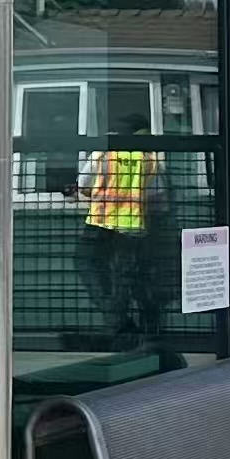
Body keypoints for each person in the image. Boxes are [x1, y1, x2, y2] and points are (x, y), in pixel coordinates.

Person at [77, 139, 154, 351]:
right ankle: (120, 324)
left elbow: (83, 185)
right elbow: (155, 193)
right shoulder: (148, 157)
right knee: (124, 277)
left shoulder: (101, 154)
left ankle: (116, 321)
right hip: (132, 225)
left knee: (87, 265)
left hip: (100, 223)